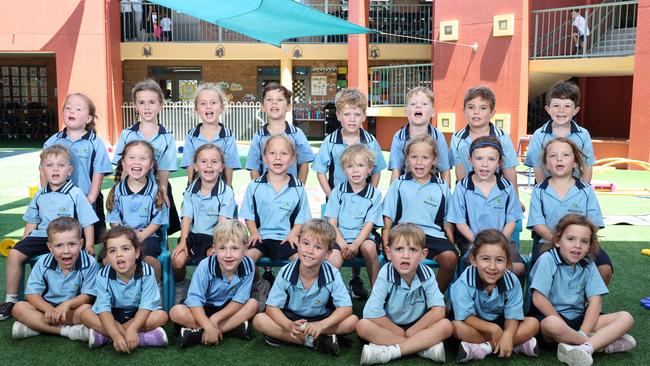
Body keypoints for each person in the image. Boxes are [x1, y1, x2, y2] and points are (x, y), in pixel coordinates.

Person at [0, 145, 98, 321]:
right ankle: (11, 300)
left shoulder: (75, 194)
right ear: (42, 170)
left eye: (60, 165)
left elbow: (87, 221)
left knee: (74, 258)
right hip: (41, 237)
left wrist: (89, 244)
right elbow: (32, 221)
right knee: (15, 253)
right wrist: (24, 243)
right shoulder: (39, 195)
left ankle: (72, 299)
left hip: (66, 239)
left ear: (69, 170)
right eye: (50, 165)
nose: (55, 169)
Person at [530, 214, 635, 366]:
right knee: (551, 324)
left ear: (589, 247)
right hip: (552, 319)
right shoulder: (547, 259)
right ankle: (596, 344)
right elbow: (538, 299)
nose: (577, 245)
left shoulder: (588, 264)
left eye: (584, 241)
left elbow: (595, 302)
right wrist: (567, 328)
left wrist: (583, 331)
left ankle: (583, 346)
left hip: (579, 320)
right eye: (571, 239)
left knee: (626, 317)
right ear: (558, 241)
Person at [312, 87, 387, 298]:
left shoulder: (370, 141)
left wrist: (369, 193)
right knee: (338, 248)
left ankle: (374, 292)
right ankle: (328, 296)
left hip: (363, 204)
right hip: (339, 203)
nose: (352, 119)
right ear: (338, 116)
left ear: (363, 116)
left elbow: (378, 170)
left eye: (357, 114)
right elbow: (320, 171)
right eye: (347, 114)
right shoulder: (331, 141)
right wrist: (331, 195)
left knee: (365, 246)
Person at [252, 219, 358, 355]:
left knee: (353, 321)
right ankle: (317, 341)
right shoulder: (285, 272)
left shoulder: (333, 273)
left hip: (321, 319)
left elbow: (346, 308)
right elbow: (272, 307)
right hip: (291, 319)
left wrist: (320, 326)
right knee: (259, 320)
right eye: (306, 243)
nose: (309, 251)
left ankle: (288, 336)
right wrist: (288, 325)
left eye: (318, 247)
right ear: (298, 244)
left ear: (327, 254)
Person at [356, 223, 453, 365]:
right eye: (399, 249)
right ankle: (422, 348)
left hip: (417, 327)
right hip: (390, 327)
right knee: (362, 326)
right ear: (389, 253)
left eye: (413, 249)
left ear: (423, 254)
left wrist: (412, 331)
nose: (405, 256)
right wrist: (400, 332)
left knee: (447, 326)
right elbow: (371, 313)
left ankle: (388, 352)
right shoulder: (385, 273)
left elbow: (439, 311)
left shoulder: (427, 274)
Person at [527, 137, 613, 284]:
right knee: (543, 268)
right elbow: (538, 224)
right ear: (546, 164)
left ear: (574, 162)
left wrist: (578, 241)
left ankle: (587, 303)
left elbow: (594, 223)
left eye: (565, 155)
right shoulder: (539, 190)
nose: (559, 159)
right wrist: (560, 241)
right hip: (548, 241)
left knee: (604, 268)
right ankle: (542, 304)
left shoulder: (585, 190)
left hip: (581, 243)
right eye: (553, 156)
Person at [240, 134, 311, 308]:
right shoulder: (255, 185)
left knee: (304, 261)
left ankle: (293, 296)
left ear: (292, 158)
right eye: (272, 153)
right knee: (246, 259)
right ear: (264, 158)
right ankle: (259, 286)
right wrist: (254, 232)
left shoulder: (298, 187)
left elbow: (302, 217)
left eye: (284, 154)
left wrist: (294, 233)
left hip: (287, 238)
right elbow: (248, 215)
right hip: (262, 237)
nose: (278, 157)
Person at [450, 229, 539, 362]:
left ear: (508, 263)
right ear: (473, 260)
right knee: (456, 328)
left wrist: (508, 334)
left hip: (502, 324)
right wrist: (493, 329)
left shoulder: (512, 281)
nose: (492, 267)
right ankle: (516, 344)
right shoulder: (463, 283)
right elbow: (466, 317)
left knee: (534, 323)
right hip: (476, 326)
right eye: (485, 259)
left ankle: (484, 349)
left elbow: (513, 315)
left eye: (499, 260)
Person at [382, 135, 456, 293]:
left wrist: (451, 242)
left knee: (450, 259)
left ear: (434, 160)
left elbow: (447, 221)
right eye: (414, 157)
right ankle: (400, 297)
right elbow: (387, 219)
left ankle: (432, 298)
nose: (419, 162)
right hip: (404, 234)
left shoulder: (442, 187)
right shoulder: (399, 184)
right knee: (403, 258)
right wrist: (386, 241)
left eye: (425, 157)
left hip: (432, 235)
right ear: (407, 160)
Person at [171, 220, 258, 348]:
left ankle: (197, 334)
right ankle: (229, 329)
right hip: (202, 309)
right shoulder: (205, 266)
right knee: (176, 312)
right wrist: (207, 324)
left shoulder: (249, 264)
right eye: (222, 248)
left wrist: (214, 320)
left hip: (227, 310)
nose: (228, 255)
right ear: (214, 248)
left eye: (235, 248)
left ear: (245, 249)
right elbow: (194, 300)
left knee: (253, 305)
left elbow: (240, 300)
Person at [81, 226, 169, 351]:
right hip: (113, 316)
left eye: (125, 249)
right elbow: (104, 310)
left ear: (137, 253)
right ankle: (140, 338)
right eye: (112, 251)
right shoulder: (102, 275)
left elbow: (146, 306)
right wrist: (116, 334)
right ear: (107, 256)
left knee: (161, 316)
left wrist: (133, 328)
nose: (119, 255)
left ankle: (106, 337)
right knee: (85, 314)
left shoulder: (147, 272)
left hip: (138, 315)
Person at [10, 217, 99, 341]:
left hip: (71, 310)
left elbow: (87, 296)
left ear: (81, 244)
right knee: (18, 308)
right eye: (59, 246)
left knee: (87, 310)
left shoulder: (90, 263)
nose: (66, 251)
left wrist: (67, 304)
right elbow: (32, 294)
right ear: (50, 247)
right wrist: (50, 310)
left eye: (72, 244)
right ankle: (67, 331)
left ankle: (35, 327)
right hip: (45, 308)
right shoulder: (42, 263)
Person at [448, 136, 525, 277]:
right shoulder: (462, 187)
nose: (484, 164)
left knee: (518, 268)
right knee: (475, 265)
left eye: (491, 159)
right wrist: (477, 241)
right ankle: (470, 297)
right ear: (470, 160)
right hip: (472, 240)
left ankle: (510, 298)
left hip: (502, 240)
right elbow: (459, 222)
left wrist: (500, 240)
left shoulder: (506, 187)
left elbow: (511, 220)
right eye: (479, 159)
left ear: (499, 162)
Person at [43, 93, 112, 245]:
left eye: (78, 109)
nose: (71, 111)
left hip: (87, 200)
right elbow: (43, 171)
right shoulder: (52, 141)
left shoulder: (95, 143)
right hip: (59, 201)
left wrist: (91, 199)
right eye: (68, 108)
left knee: (89, 242)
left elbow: (98, 173)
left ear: (88, 118)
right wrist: (46, 196)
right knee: (62, 239)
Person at [113, 79, 180, 235]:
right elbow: (122, 168)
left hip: (156, 189)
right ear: (136, 106)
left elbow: (163, 170)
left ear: (161, 105)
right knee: (128, 228)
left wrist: (162, 192)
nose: (147, 107)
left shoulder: (166, 136)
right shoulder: (127, 134)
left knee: (158, 227)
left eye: (152, 102)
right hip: (130, 188)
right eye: (142, 103)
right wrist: (121, 192)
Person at [172, 144, 237, 302]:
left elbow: (223, 225)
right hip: (193, 237)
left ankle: (214, 292)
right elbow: (186, 217)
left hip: (215, 238)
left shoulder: (226, 192)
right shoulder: (190, 191)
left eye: (214, 162)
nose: (209, 166)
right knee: (177, 260)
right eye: (203, 161)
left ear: (221, 167)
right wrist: (182, 242)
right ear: (195, 166)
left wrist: (217, 246)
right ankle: (181, 286)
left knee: (214, 258)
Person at [106, 140, 168, 282]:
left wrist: (142, 235)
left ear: (151, 164)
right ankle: (119, 294)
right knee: (106, 260)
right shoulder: (117, 191)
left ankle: (154, 295)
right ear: (123, 162)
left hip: (147, 237)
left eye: (143, 158)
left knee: (151, 262)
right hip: (121, 237)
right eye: (132, 157)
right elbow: (114, 220)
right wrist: (126, 235)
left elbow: (158, 220)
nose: (137, 162)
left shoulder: (155, 191)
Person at [449, 86, 521, 207]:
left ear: (492, 113)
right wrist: (466, 196)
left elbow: (509, 170)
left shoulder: (502, 137)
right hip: (469, 193)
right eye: (471, 107)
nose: (476, 112)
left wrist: (515, 200)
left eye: (483, 108)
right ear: (464, 111)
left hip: (496, 193)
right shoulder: (457, 138)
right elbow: (460, 171)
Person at [323, 144, 382, 285]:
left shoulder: (375, 194)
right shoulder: (337, 192)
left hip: (363, 239)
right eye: (350, 166)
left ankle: (377, 295)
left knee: (369, 248)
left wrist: (355, 244)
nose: (355, 170)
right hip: (339, 239)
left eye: (360, 165)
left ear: (369, 169)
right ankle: (329, 297)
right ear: (344, 170)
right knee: (333, 259)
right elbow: (332, 223)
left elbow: (369, 224)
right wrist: (343, 245)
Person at [524, 81, 596, 183]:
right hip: (546, 192)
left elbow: (587, 166)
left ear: (575, 110)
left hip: (574, 192)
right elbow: (538, 168)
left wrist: (584, 190)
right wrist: (545, 192)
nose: (561, 110)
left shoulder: (583, 135)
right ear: (548, 109)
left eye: (567, 106)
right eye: (556, 105)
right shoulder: (539, 135)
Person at [246, 82, 313, 184]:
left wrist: (299, 189)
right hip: (266, 194)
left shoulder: (297, 134)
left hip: (291, 192)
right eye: (269, 99)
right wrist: (258, 190)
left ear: (288, 107)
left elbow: (304, 164)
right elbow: (254, 167)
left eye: (279, 99)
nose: (274, 103)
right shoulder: (258, 136)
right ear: (262, 107)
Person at [388, 86, 450, 185]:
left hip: (432, 190)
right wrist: (392, 196)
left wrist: (445, 195)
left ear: (433, 112)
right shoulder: (399, 137)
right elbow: (396, 170)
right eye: (413, 104)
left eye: (424, 104)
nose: (418, 106)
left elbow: (445, 170)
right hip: (406, 190)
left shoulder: (438, 136)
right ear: (405, 111)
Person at [181, 83, 240, 186]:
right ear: (196, 109)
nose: (208, 106)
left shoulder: (227, 136)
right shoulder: (191, 136)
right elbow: (190, 166)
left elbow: (229, 167)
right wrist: (192, 190)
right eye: (203, 103)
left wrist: (227, 191)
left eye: (213, 102)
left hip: (221, 190)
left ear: (221, 107)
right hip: (197, 190)